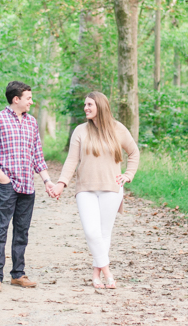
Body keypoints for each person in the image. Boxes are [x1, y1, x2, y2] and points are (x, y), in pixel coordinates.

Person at [50, 91, 139, 290]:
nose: (86, 108)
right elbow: (72, 160)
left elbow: (134, 152)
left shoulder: (118, 129)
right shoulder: (80, 131)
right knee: (91, 232)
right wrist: (61, 183)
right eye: (85, 105)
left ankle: (96, 273)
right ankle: (107, 271)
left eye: (90, 104)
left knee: (104, 233)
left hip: (112, 188)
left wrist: (128, 175)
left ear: (100, 106)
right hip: (85, 188)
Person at [0, 81, 56, 293]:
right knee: (0, 229)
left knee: (22, 231)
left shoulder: (32, 122)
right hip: (5, 185)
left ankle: (18, 274)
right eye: (29, 98)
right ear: (17, 99)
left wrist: (47, 180)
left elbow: (37, 156)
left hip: (27, 185)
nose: (31, 102)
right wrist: (1, 177)